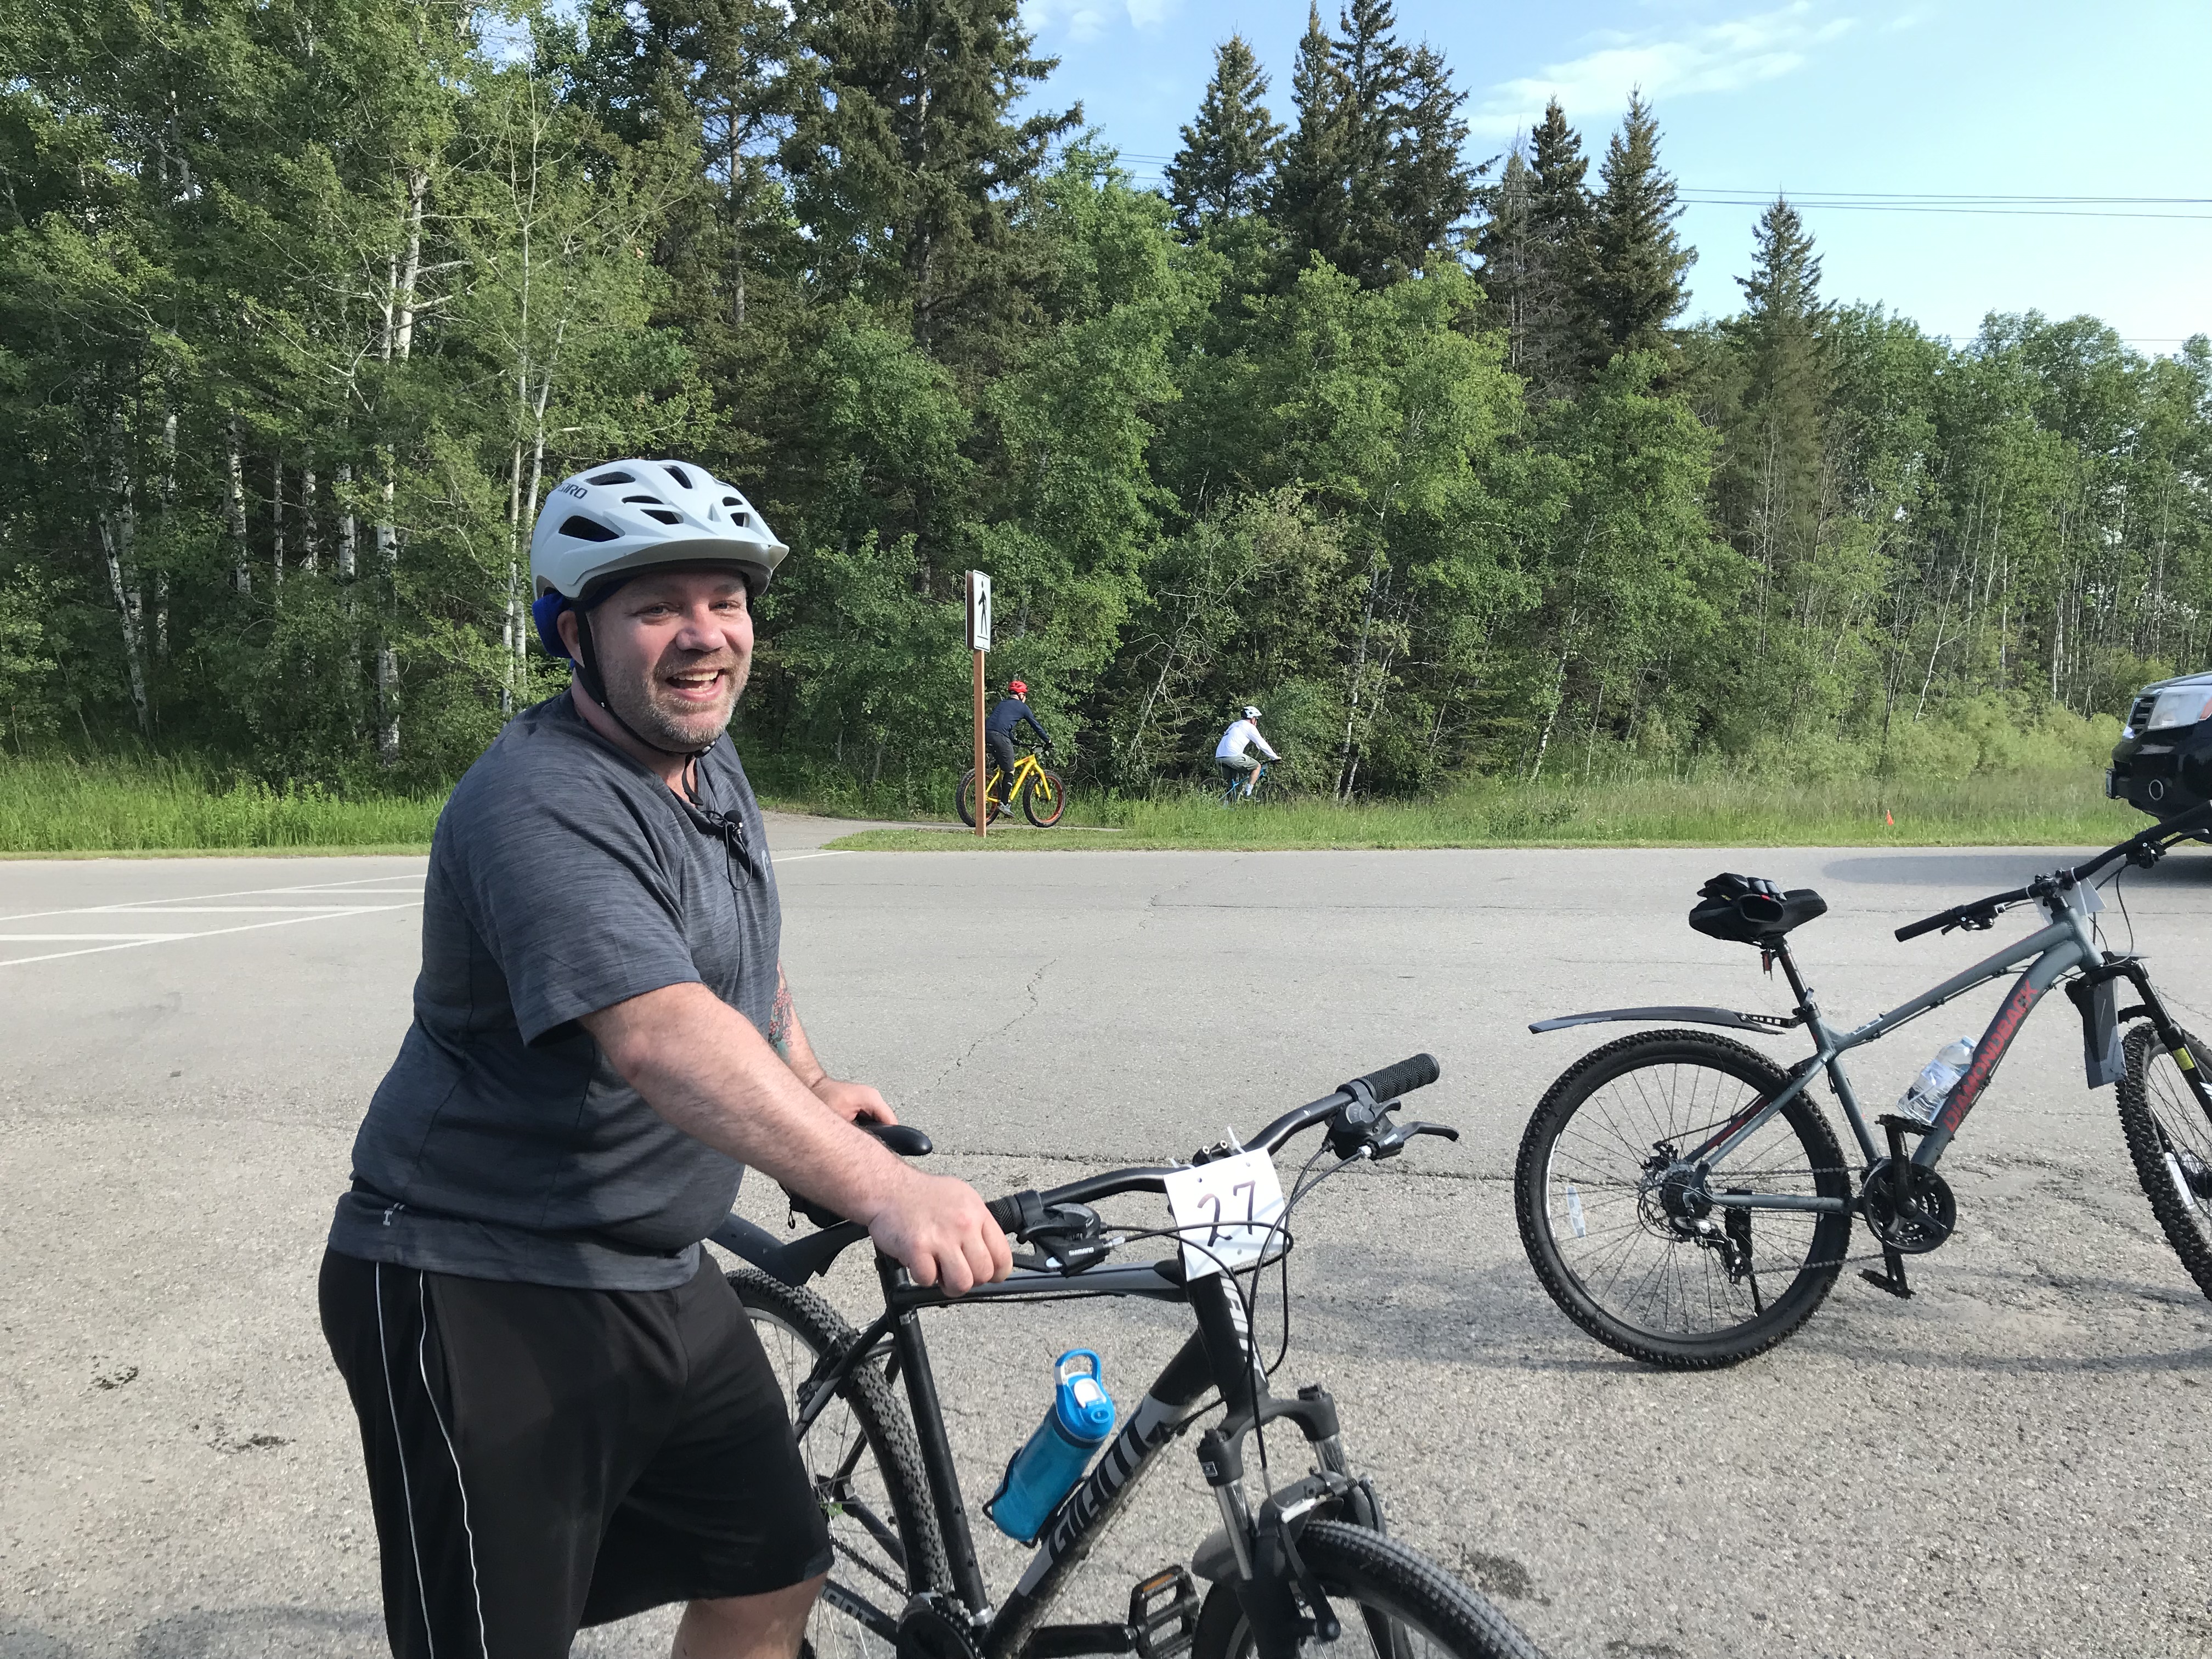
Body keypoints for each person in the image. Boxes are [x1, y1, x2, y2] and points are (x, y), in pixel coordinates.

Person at [318, 458, 1013, 1659]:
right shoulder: (537, 801)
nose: (704, 637)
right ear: (571, 634)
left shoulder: (703, 760)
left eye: (726, 600)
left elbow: (733, 962)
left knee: (771, 1571)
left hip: (651, 1263)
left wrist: (804, 1077)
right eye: (657, 608)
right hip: (476, 1276)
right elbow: (658, 1033)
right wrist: (888, 1189)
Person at [985, 678, 1052, 795]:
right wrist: (1048, 740)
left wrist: (1014, 739)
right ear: (1021, 695)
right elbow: (1036, 726)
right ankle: (1005, 804)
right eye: (1025, 695)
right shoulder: (1022, 707)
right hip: (1000, 736)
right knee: (1010, 770)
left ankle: (995, 792)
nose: (1025, 698)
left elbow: (1001, 725)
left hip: (986, 734)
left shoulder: (1003, 703)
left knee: (1001, 766)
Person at [1215, 704, 1279, 803]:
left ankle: (1227, 805)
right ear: (1252, 718)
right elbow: (1262, 743)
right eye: (1256, 719)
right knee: (1257, 767)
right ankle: (1248, 794)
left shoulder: (1234, 725)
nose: (1256, 722)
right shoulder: (1249, 727)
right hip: (1232, 757)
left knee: (1231, 784)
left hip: (1219, 757)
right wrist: (1274, 757)